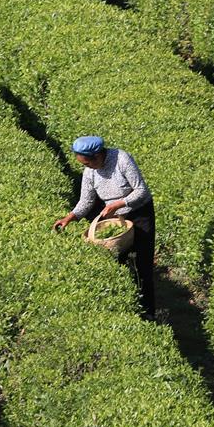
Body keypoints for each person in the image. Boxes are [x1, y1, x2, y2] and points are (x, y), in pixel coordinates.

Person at [53, 135, 156, 320]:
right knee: (119, 262)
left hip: (140, 214)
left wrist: (118, 204)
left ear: (98, 155)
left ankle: (149, 312)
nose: (87, 167)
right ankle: (131, 310)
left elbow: (141, 190)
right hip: (116, 219)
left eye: (88, 163)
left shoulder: (122, 159)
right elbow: (86, 201)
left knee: (143, 264)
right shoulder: (90, 172)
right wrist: (70, 218)